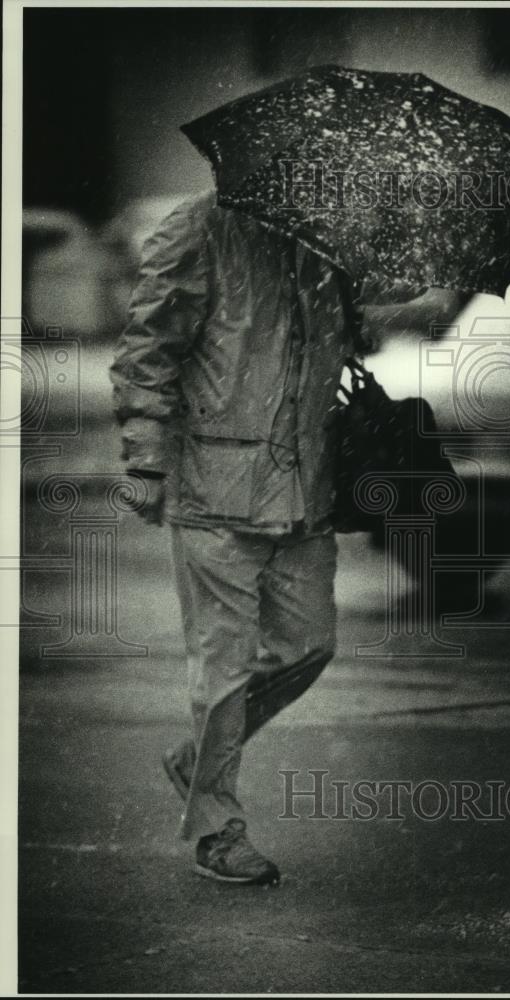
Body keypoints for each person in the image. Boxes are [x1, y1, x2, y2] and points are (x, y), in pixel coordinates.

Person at [110, 186, 362, 885]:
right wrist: (145, 457)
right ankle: (217, 829)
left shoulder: (328, 240)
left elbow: (333, 346)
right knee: (223, 669)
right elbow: (147, 350)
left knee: (311, 644)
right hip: (215, 486)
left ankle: (197, 760)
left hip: (306, 490)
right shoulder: (199, 227)